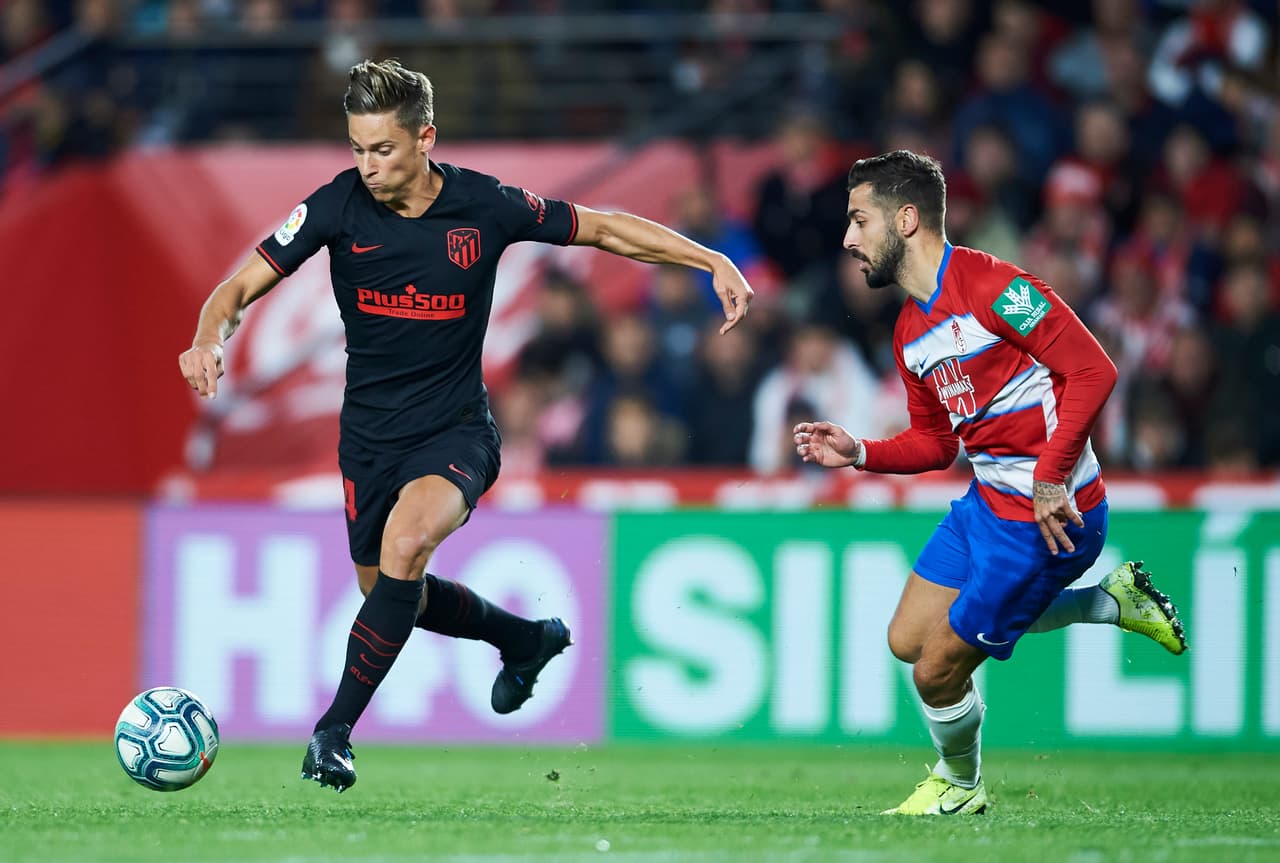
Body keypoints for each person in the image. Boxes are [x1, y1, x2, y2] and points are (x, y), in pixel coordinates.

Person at [177, 58, 753, 793]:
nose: (368, 165)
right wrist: (208, 337)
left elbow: (603, 228)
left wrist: (709, 259)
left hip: (455, 433)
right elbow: (239, 286)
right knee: (390, 591)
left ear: (425, 138)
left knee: (408, 543)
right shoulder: (335, 207)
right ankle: (522, 639)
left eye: (381, 149)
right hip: (368, 442)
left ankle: (333, 731)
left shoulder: (486, 205)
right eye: (356, 148)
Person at [793, 151, 1185, 816]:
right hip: (989, 504)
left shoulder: (995, 287)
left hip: (1050, 517)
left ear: (906, 219)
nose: (848, 239)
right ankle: (1110, 603)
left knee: (934, 671)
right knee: (905, 639)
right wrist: (859, 450)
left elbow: (1094, 370)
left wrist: (1052, 477)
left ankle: (961, 784)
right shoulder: (910, 330)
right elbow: (937, 443)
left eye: (860, 220)